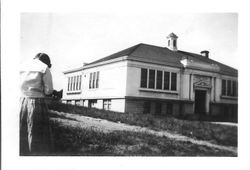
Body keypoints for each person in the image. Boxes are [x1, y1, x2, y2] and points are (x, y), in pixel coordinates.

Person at [19, 53, 54, 155]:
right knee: (36, 131)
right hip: (37, 102)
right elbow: (49, 90)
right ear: (46, 62)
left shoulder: (22, 66)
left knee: (22, 129)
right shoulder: (44, 68)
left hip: (21, 101)